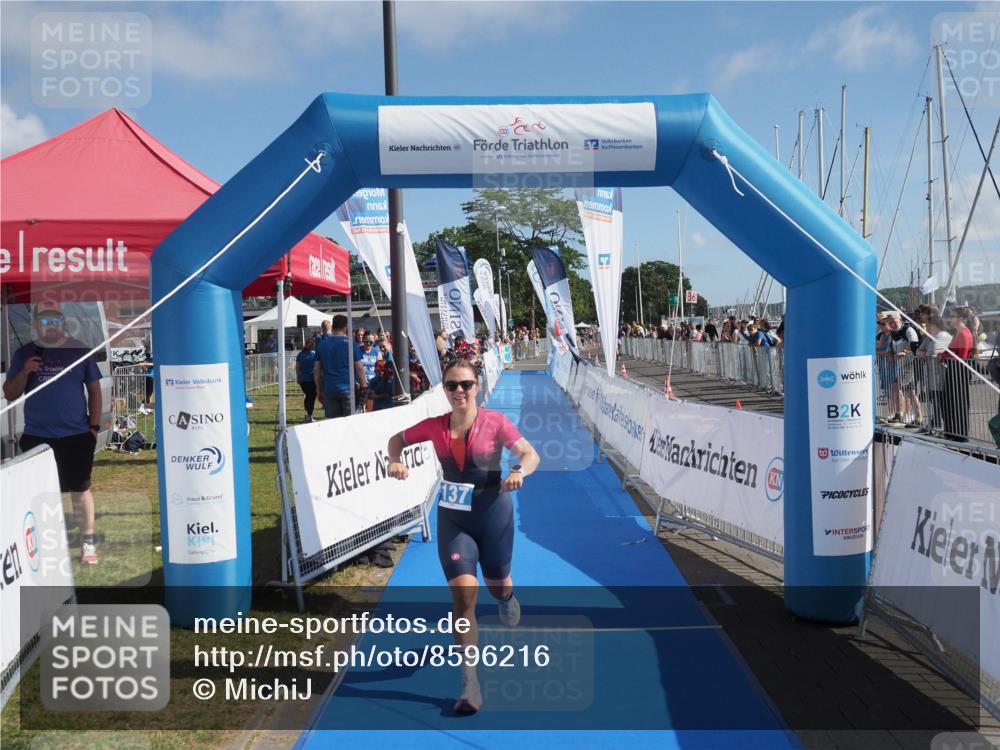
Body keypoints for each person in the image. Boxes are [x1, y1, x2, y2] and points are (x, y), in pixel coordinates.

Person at [387, 358, 540, 714]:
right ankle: (470, 681)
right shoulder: (434, 426)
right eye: (452, 385)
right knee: (463, 596)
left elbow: (529, 453)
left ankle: (507, 598)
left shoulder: (495, 422)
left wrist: (519, 471)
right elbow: (396, 440)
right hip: (454, 520)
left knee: (497, 585)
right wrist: (394, 460)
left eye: (466, 385)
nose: (459, 391)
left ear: (478, 387)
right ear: (444, 389)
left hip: (493, 514)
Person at [3, 301, 103, 564]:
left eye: (55, 320)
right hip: (38, 436)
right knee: (43, 494)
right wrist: (25, 371)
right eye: (45, 320)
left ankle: (88, 545)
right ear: (35, 323)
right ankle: (47, 543)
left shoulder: (79, 349)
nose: (51, 325)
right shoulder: (25, 353)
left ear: (63, 321)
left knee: (80, 490)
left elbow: (94, 391)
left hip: (77, 435)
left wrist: (94, 427)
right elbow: (9, 394)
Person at [314, 315, 366, 418]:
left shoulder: (322, 345)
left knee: (333, 423)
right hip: (348, 389)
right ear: (346, 327)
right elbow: (359, 368)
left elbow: (316, 371)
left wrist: (318, 390)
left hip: (330, 389)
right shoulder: (351, 344)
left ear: (332, 326)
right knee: (351, 422)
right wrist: (363, 385)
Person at [295, 337, 318, 422]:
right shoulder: (314, 354)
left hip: (303, 380)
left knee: (308, 396)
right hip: (311, 380)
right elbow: (317, 367)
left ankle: (306, 413)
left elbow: (297, 367)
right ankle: (309, 415)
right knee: (311, 398)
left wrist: (298, 377)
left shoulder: (300, 354)